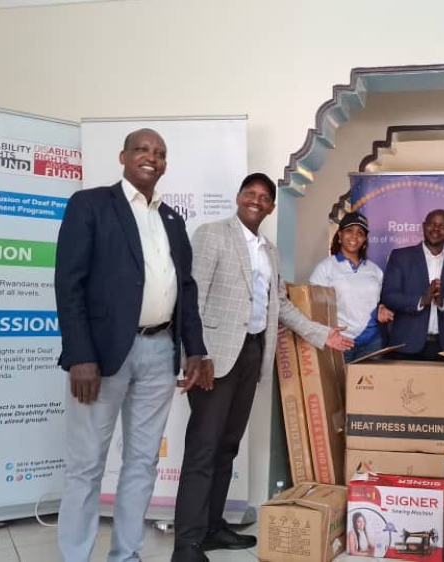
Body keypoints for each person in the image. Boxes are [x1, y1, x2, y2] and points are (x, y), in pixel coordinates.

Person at [171, 173, 354, 562]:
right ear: (238, 197)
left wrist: (323, 335)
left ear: (271, 207)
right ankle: (186, 544)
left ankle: (212, 527)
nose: (256, 201)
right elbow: (192, 296)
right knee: (203, 449)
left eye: (264, 198)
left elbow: (281, 305)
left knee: (227, 446)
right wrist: (195, 354)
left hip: (252, 353)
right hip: (213, 358)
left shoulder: (269, 251)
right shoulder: (212, 233)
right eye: (250, 194)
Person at [54, 128, 207, 562]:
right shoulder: (91, 204)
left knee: (142, 463)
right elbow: (69, 283)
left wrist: (194, 350)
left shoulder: (173, 220)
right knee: (87, 466)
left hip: (161, 353)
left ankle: (126, 555)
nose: (151, 157)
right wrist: (80, 355)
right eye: (142, 149)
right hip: (101, 357)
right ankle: (75, 557)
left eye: (159, 153)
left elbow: (186, 288)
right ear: (123, 156)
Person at [380, 209, 444, 359]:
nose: (436, 229)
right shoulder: (400, 257)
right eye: (432, 224)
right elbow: (388, 296)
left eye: (442, 226)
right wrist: (422, 300)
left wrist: (442, 302)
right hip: (405, 347)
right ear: (423, 226)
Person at [309, 211, 394, 362]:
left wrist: (382, 306)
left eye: (360, 233)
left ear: (365, 240)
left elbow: (382, 300)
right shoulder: (325, 268)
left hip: (372, 342)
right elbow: (313, 306)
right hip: (340, 341)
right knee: (339, 386)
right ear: (340, 235)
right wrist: (327, 334)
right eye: (349, 231)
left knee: (371, 385)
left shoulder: (374, 270)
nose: (354, 236)